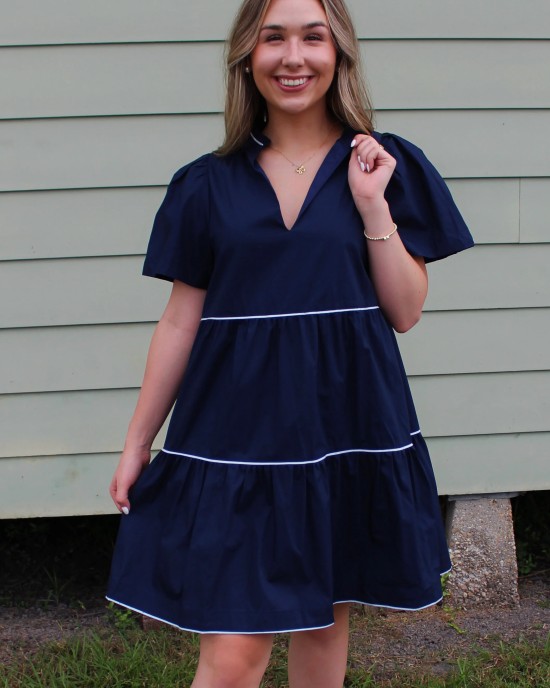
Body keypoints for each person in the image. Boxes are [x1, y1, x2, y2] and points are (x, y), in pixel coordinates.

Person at [107, 0, 474, 685]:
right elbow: (181, 321)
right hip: (235, 442)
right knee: (235, 652)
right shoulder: (206, 185)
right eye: (273, 38)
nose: (293, 57)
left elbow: (404, 309)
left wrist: (372, 206)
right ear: (249, 54)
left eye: (313, 36)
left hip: (343, 429)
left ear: (339, 53)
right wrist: (137, 444)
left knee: (322, 626)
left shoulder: (385, 167)